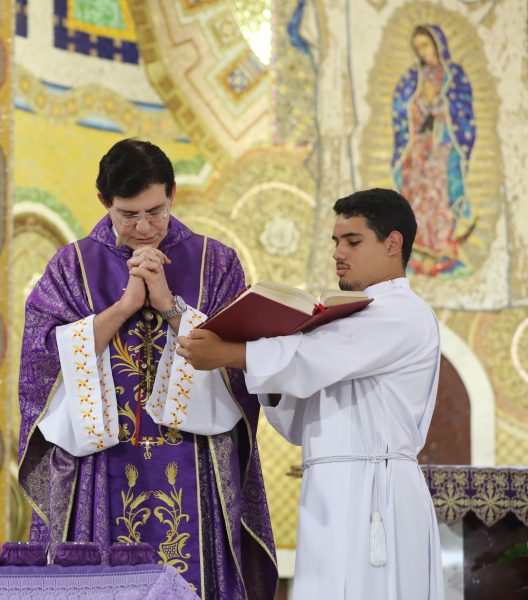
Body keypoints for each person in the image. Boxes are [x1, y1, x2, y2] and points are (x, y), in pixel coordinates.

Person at [17, 139, 278, 599]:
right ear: (104, 203)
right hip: (100, 462)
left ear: (173, 193)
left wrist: (168, 305)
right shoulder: (71, 266)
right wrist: (123, 307)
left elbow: (242, 357)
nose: (144, 227)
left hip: (195, 459)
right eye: (128, 214)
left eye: (155, 211)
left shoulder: (215, 262)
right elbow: (40, 362)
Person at [178, 188, 444, 600]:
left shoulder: (402, 313)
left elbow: (315, 358)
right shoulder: (350, 317)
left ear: (393, 244)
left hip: (378, 492)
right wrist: (267, 365)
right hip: (328, 488)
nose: (339, 252)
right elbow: (301, 420)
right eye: (336, 241)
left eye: (352, 241)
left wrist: (232, 354)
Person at [392, 24, 476, 278]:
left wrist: (440, 109)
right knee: (417, 198)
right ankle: (417, 251)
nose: (423, 52)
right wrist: (417, 104)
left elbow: (463, 112)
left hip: (443, 149)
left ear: (438, 44)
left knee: (441, 198)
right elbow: (400, 109)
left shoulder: (455, 76)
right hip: (419, 150)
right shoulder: (412, 77)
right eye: (418, 48)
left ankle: (443, 248)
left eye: (426, 45)